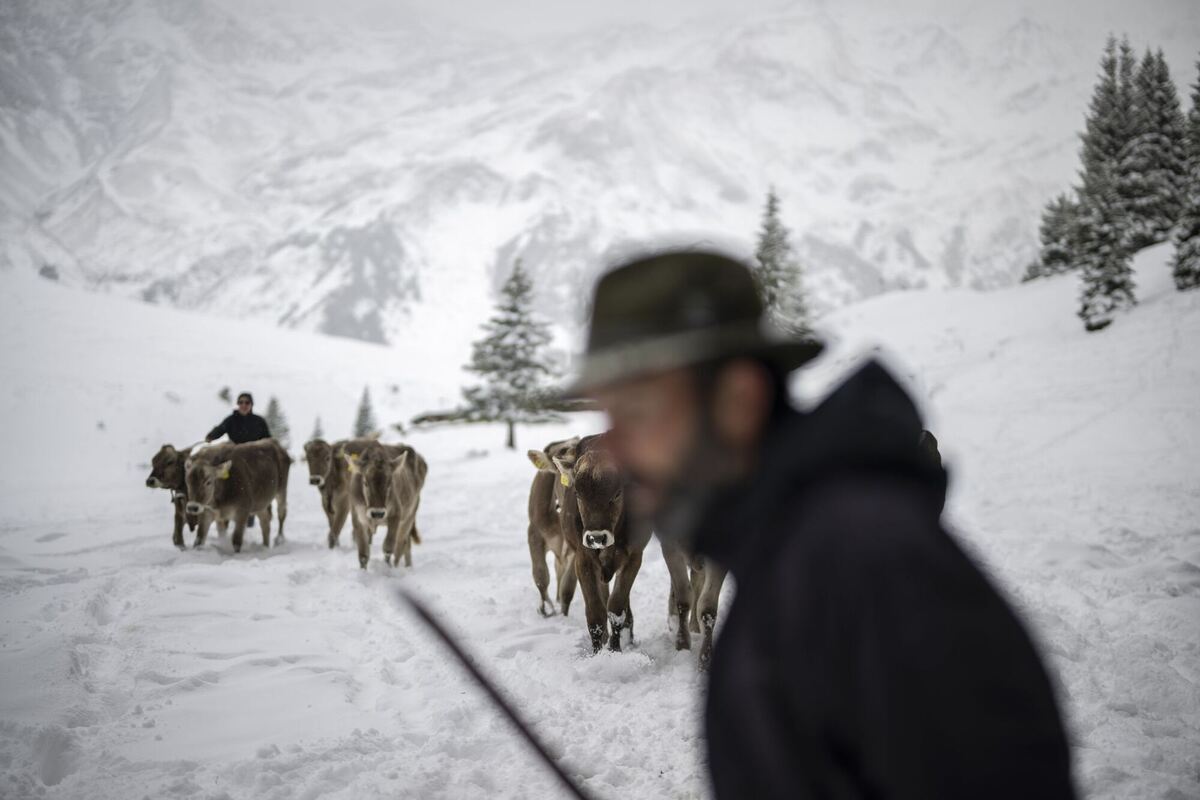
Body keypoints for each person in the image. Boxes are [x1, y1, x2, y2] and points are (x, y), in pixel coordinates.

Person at [567, 250, 1076, 799]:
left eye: (637, 413)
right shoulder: (789, 550)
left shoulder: (872, 567)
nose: (615, 450)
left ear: (739, 399)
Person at [206, 392, 272, 444]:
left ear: (251, 405)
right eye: (241, 402)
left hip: (255, 454)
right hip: (235, 453)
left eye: (247, 402)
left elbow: (267, 439)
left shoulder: (259, 421)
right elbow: (220, 429)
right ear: (238, 404)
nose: (244, 405)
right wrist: (210, 436)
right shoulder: (231, 420)